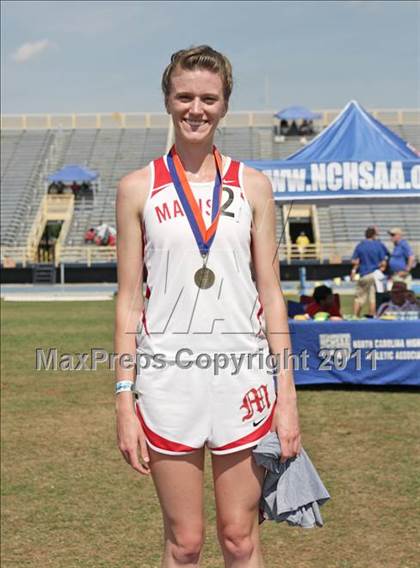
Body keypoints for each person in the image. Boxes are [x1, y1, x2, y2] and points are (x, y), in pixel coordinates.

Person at [114, 45, 301, 567]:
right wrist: (124, 398)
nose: (196, 108)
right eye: (185, 97)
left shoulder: (254, 186)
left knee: (240, 537)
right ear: (168, 100)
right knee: (186, 543)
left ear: (224, 105)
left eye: (208, 99)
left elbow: (271, 295)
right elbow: (128, 301)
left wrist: (286, 396)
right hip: (167, 382)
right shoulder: (136, 188)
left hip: (243, 379)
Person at [351, 227, 388, 316]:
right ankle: (372, 317)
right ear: (374, 235)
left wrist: (354, 270)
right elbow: (383, 262)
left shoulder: (360, 245)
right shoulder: (378, 245)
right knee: (373, 299)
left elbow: (354, 261)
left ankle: (355, 316)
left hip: (364, 274)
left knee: (359, 298)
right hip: (375, 273)